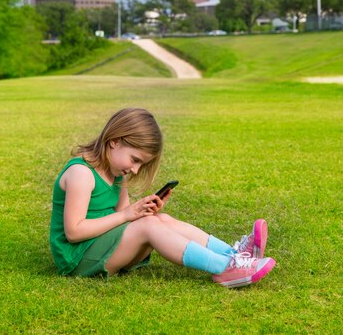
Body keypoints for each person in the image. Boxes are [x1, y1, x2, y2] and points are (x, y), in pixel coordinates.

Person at [50, 107, 276, 288]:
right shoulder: (81, 173)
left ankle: (234, 254)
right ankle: (226, 268)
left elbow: (124, 218)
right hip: (77, 260)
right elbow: (74, 232)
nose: (136, 169)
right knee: (148, 225)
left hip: (103, 248)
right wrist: (130, 215)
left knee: (161, 219)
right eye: (135, 159)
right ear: (114, 141)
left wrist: (143, 211)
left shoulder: (116, 172)